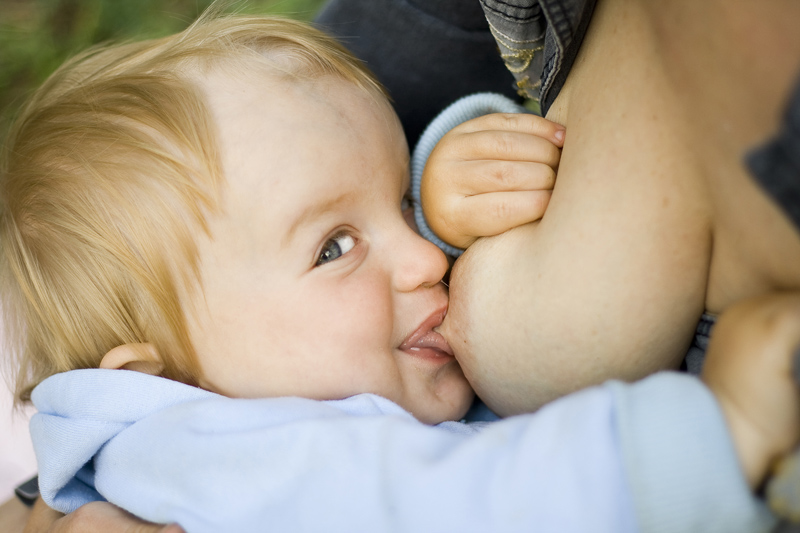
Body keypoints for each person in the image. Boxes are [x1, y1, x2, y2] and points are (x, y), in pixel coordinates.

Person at [1, 8, 796, 533]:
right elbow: (458, 504)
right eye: (335, 248)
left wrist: (451, 179)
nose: (425, 258)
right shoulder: (211, 458)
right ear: (172, 379)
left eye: (404, 206)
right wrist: (717, 434)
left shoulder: (252, 395)